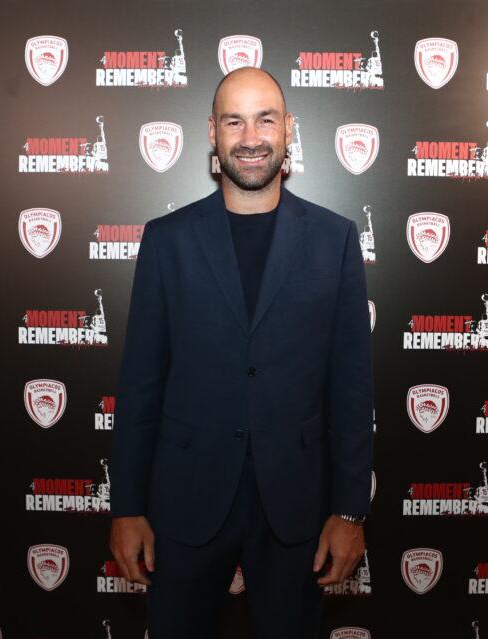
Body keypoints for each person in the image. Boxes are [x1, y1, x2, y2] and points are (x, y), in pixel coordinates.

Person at [109, 66, 374, 639]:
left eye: (265, 119)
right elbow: (140, 385)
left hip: (297, 507)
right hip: (184, 500)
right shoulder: (167, 240)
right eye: (234, 121)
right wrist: (127, 507)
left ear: (288, 128)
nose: (251, 138)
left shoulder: (334, 239)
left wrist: (350, 511)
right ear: (212, 132)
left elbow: (352, 390)